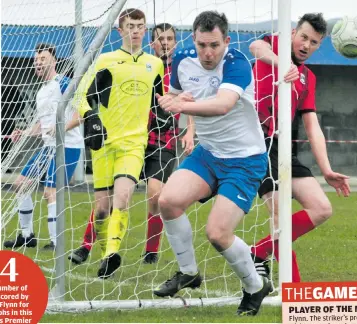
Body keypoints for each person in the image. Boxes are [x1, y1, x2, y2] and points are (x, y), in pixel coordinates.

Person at [153, 11, 271, 316]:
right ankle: (188, 272)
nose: (208, 53)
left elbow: (222, 105)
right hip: (208, 153)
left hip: (245, 160)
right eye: (203, 44)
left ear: (226, 42)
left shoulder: (238, 63)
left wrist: (183, 103)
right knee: (167, 200)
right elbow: (176, 98)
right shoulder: (181, 58)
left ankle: (256, 286)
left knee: (217, 233)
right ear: (193, 39)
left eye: (215, 45)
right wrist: (172, 101)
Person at [68, 23, 195, 266]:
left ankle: (150, 251)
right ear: (152, 42)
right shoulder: (138, 65)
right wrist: (66, 126)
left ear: (176, 43)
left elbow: (191, 102)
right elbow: (95, 101)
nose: (165, 43)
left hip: (162, 141)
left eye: (170, 38)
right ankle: (86, 245)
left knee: (155, 194)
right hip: (132, 139)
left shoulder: (180, 72)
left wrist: (189, 131)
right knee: (110, 198)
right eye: (160, 38)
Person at [249, 13, 351, 282]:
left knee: (322, 208)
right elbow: (255, 48)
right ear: (293, 32)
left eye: (314, 42)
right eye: (303, 37)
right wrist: (281, 63)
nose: (306, 45)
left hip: (284, 150)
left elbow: (312, 126)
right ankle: (294, 292)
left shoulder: (309, 78)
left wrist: (327, 170)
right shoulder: (272, 44)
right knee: (279, 216)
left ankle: (259, 251)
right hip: (256, 144)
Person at [74, 8, 165, 279]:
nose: (136, 30)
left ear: (145, 30)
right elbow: (79, 95)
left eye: (140, 26)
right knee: (102, 210)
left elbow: (161, 99)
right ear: (120, 30)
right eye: (130, 26)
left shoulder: (154, 64)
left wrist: (171, 110)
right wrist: (90, 116)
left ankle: (111, 256)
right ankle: (104, 254)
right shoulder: (106, 60)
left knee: (122, 199)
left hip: (134, 145)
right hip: (103, 145)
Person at [4, 43, 84, 250]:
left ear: (54, 61)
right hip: (48, 147)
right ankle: (27, 236)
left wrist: (59, 129)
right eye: (36, 60)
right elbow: (42, 125)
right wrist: (24, 133)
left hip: (67, 146)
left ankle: (56, 243)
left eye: (43, 59)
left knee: (50, 192)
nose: (38, 62)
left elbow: (80, 115)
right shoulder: (41, 92)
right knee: (20, 184)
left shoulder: (63, 83)